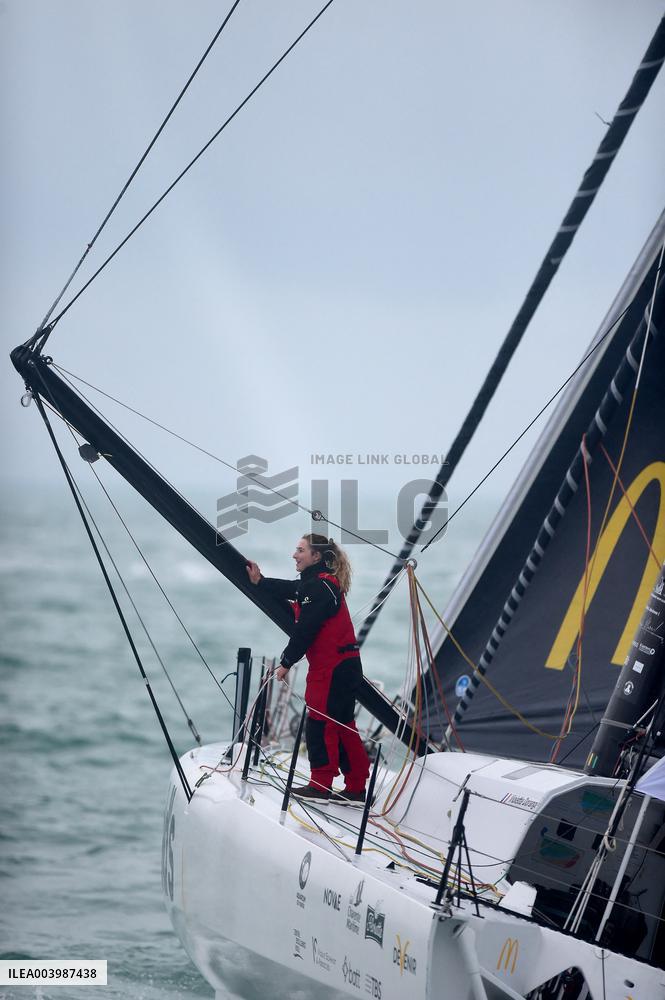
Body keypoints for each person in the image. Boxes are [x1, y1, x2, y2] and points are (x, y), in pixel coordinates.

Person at [246, 533, 370, 805]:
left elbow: (306, 631)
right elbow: (292, 589)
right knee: (343, 725)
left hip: (332, 669)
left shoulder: (319, 589)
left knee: (321, 723)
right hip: (344, 666)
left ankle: (320, 785)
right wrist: (261, 582)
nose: (294, 554)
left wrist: (286, 663)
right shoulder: (319, 585)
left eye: (300, 550)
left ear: (316, 556)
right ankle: (357, 788)